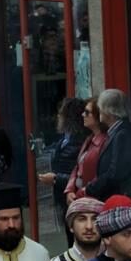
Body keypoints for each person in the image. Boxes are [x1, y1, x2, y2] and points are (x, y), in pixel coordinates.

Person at [84, 89, 131, 211]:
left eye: (101, 108)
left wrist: (91, 188)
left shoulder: (123, 134)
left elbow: (115, 172)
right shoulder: (117, 132)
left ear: (109, 111)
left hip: (128, 199)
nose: (100, 112)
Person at [39, 97, 86, 245]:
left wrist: (55, 178)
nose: (58, 117)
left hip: (73, 197)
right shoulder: (66, 138)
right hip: (62, 196)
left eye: (61, 114)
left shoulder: (80, 141)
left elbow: (80, 177)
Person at [64, 96, 108, 204]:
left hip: (92, 197)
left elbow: (102, 175)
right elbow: (77, 167)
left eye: (87, 113)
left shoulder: (105, 141)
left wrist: (82, 192)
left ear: (98, 117)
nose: (83, 115)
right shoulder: (89, 139)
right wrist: (70, 190)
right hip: (80, 195)